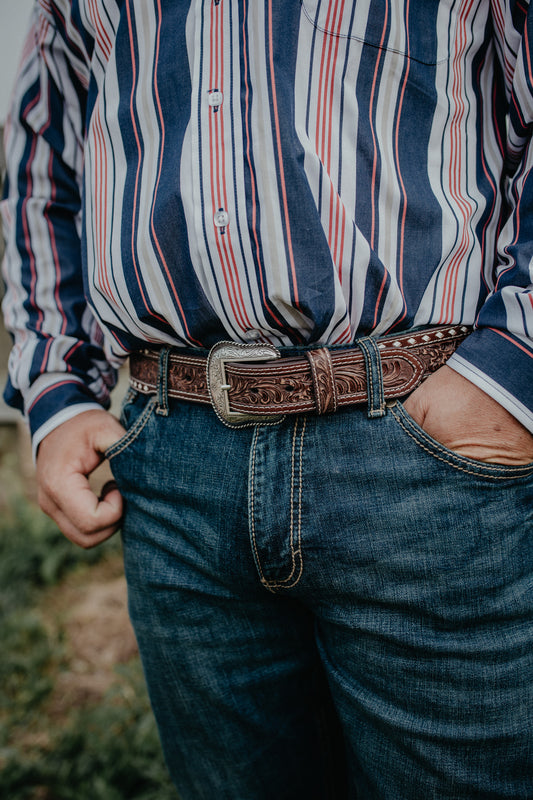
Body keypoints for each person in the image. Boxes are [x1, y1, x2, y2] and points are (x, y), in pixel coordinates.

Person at [2, 1, 533, 797]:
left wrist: (509, 372)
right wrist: (55, 391)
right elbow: (45, 157)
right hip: (175, 459)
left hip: (427, 453)